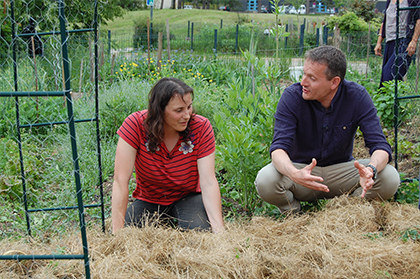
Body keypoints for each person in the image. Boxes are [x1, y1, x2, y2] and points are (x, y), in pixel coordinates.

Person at [254, 46, 400, 214]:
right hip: (302, 172)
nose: (303, 82)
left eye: (312, 78)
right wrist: (294, 173)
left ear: (334, 82)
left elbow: (380, 146)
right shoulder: (292, 97)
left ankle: (348, 211)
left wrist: (370, 170)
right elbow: (278, 148)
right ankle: (293, 213)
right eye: (304, 74)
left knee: (389, 177)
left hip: (341, 172)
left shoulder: (356, 96)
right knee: (266, 180)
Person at [111, 77, 224, 234]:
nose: (187, 115)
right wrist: (117, 234)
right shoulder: (135, 125)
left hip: (188, 196)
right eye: (179, 110)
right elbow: (120, 181)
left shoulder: (200, 127)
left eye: (189, 107)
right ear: (159, 110)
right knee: (133, 235)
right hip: (149, 199)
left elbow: (209, 182)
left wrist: (220, 231)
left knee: (198, 234)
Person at [374, 0, 420, 88]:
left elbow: (419, 19)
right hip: (390, 41)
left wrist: (414, 41)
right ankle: (395, 100)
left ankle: (386, 100)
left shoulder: (413, 1)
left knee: (389, 75)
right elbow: (385, 21)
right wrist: (379, 42)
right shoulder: (389, 1)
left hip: (404, 41)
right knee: (389, 77)